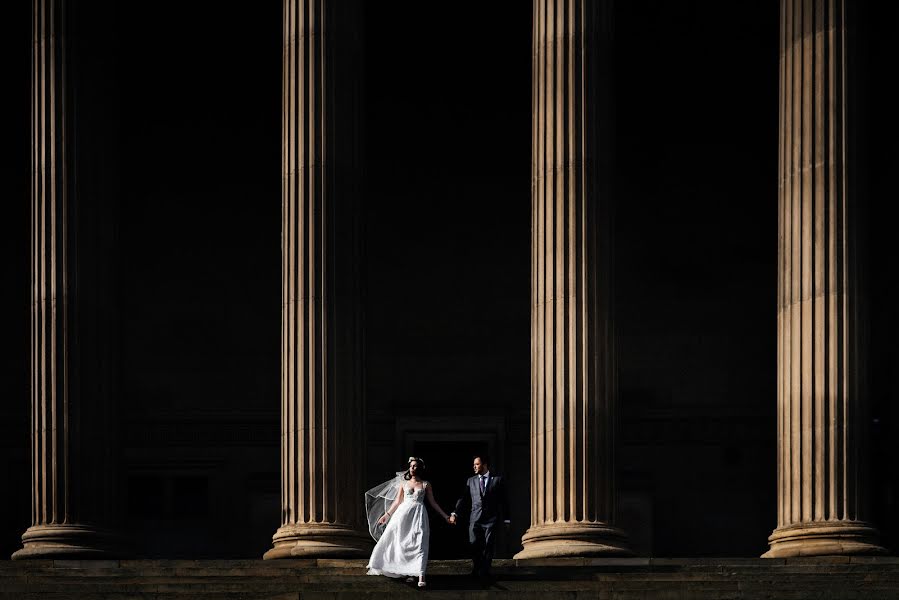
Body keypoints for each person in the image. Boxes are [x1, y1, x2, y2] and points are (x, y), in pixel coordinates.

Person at [365, 457, 452, 588]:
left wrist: (445, 516)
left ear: (420, 468)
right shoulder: (403, 483)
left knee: (419, 542)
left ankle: (421, 575)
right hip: (402, 515)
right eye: (411, 466)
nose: (412, 468)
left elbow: (433, 502)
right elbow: (397, 502)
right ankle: (408, 572)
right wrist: (387, 515)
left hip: (418, 515)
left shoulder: (425, 484)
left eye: (415, 466)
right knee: (402, 542)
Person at [449, 455, 510, 578]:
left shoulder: (497, 480)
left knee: (488, 545)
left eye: (477, 464)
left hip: (491, 519)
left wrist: (507, 519)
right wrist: (455, 512)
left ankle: (485, 570)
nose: (474, 466)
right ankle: (477, 567)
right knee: (474, 543)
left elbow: (504, 500)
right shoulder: (470, 481)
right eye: (474, 464)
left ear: (485, 464)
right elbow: (463, 498)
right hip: (475, 518)